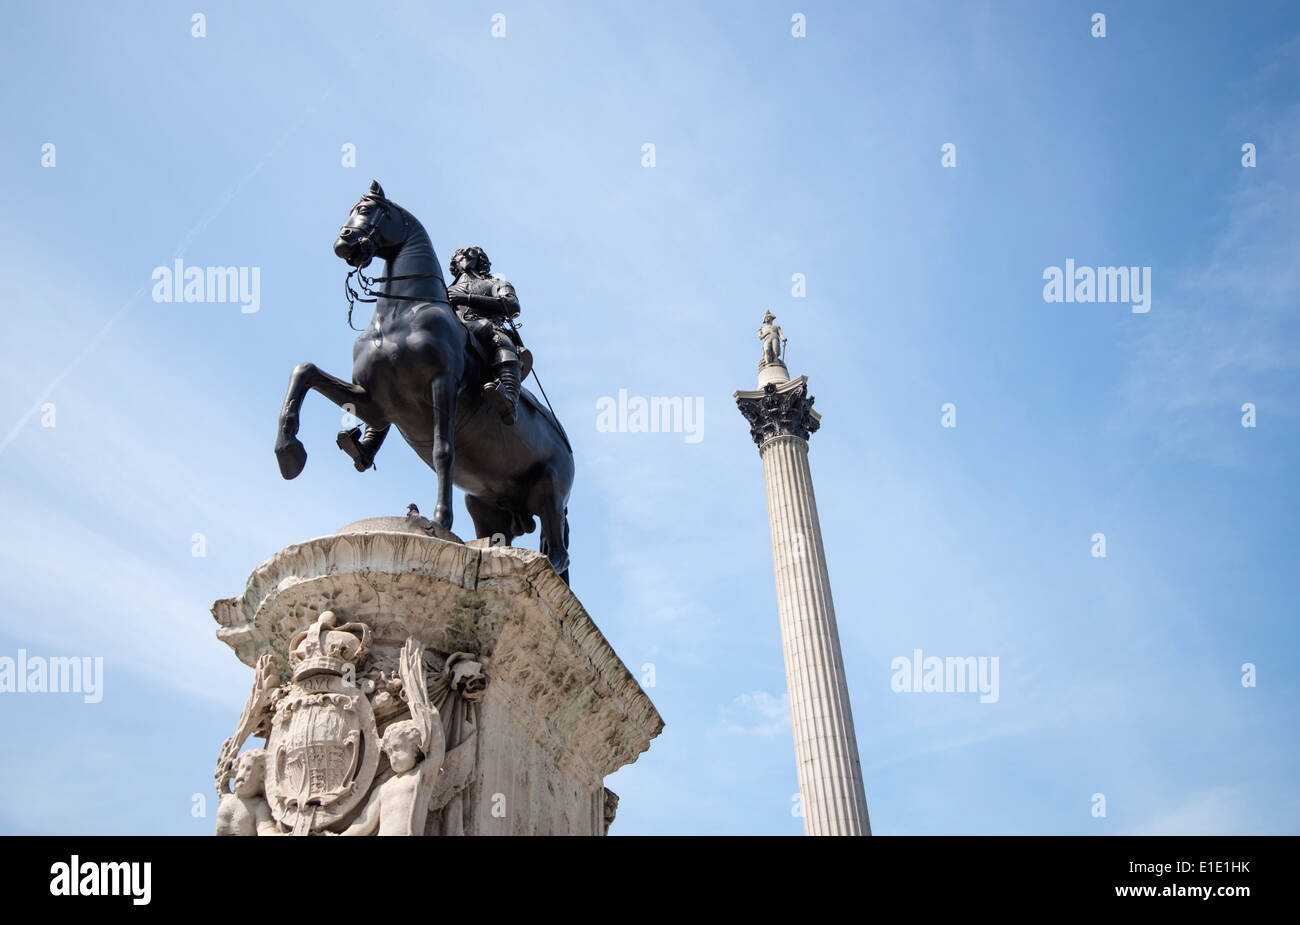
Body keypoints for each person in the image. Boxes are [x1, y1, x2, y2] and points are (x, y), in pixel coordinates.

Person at [446, 246, 525, 424]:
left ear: (480, 259)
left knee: (500, 340)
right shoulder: (444, 289)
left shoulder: (496, 283)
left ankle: (509, 399)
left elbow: (512, 305)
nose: (463, 254)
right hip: (453, 327)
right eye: (459, 254)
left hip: (486, 327)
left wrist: (466, 299)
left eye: (469, 252)